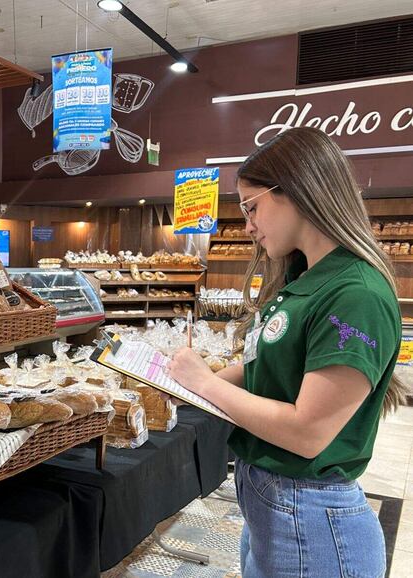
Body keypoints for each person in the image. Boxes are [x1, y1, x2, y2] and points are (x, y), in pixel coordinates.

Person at [167, 127, 403, 578]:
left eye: (252, 207)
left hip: (311, 516)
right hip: (275, 508)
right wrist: (187, 383)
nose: (248, 225)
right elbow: (260, 366)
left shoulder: (356, 293)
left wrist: (204, 383)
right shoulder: (301, 279)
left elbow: (306, 432)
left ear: (296, 191)